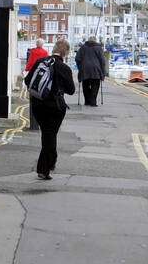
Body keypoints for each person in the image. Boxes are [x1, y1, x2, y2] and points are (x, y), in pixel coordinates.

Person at [27, 38, 76, 180]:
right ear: (65, 53)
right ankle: (44, 168)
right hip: (55, 107)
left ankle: (49, 163)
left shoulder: (40, 62)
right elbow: (71, 90)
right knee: (50, 135)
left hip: (37, 105)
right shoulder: (64, 68)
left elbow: (27, 80)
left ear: (54, 49)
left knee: (47, 134)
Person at [75, 36, 105, 106]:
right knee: (95, 85)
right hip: (96, 69)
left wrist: (80, 67)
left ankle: (87, 101)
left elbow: (77, 59)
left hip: (84, 69)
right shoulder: (99, 48)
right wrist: (102, 72)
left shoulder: (82, 48)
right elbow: (102, 61)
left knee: (85, 85)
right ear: (95, 41)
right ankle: (93, 102)